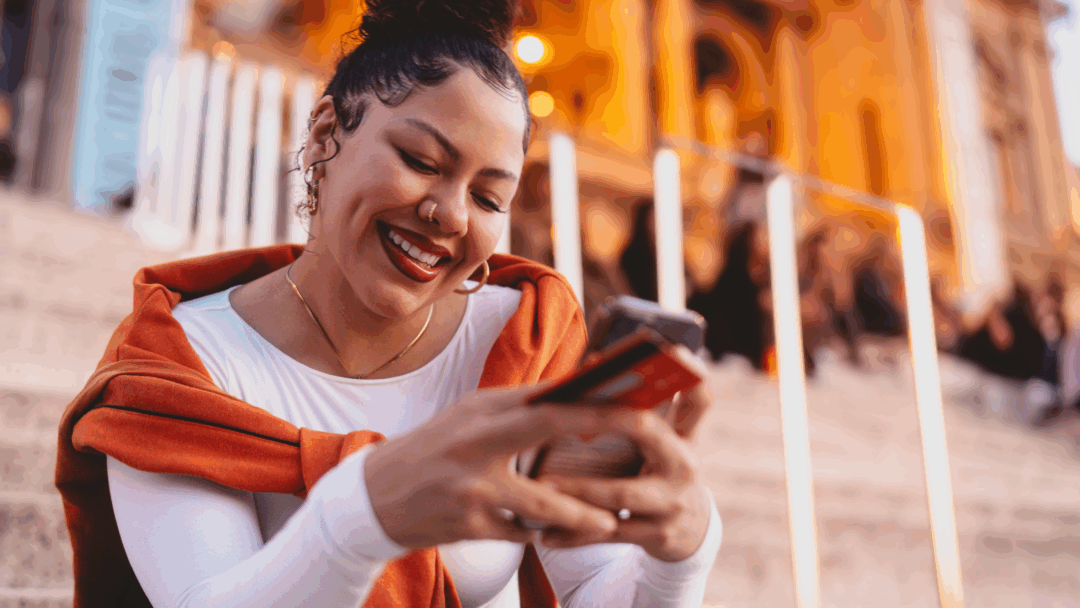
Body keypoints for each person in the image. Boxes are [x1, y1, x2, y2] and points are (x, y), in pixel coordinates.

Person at [54, 1, 723, 607]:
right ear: (324, 134)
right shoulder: (175, 369)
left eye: (489, 198)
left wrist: (677, 561)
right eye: (421, 159)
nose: (448, 212)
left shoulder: (526, 338)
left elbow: (594, 587)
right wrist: (367, 512)